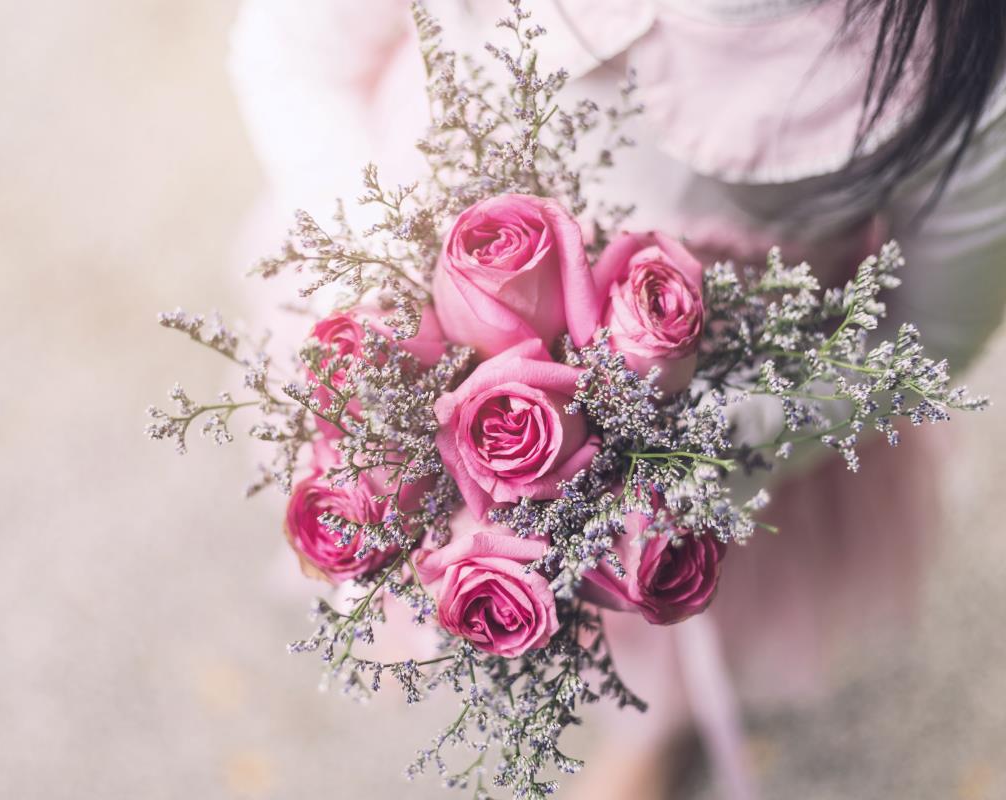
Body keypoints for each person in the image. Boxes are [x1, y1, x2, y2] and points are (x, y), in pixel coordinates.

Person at [228, 1, 1006, 797]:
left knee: (656, 622)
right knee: (445, 567)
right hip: (412, 311)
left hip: (708, 454)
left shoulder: (953, 58)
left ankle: (652, 729)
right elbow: (295, 58)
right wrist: (394, 281)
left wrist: (725, 436)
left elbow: (928, 333)